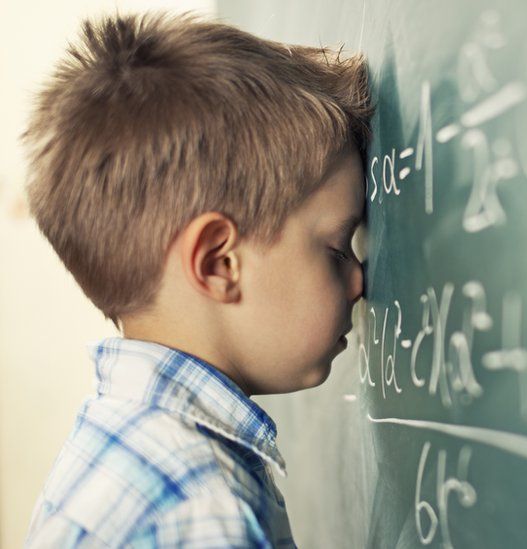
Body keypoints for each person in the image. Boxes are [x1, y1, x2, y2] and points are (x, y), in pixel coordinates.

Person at [20, 11, 372, 547]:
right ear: (218, 263)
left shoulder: (120, 446)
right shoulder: (203, 511)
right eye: (336, 249)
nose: (360, 280)